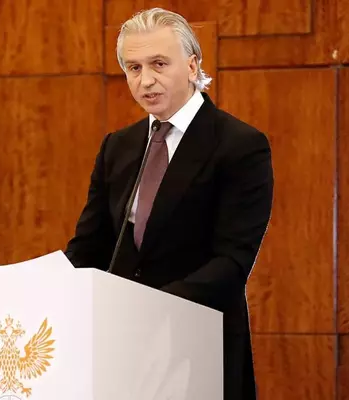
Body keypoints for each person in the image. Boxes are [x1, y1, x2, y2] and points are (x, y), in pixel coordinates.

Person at [64, 7, 273, 400]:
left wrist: (152, 308)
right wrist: (38, 286)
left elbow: (232, 261)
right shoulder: (118, 146)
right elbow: (89, 248)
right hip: (122, 351)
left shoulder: (239, 145)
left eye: (159, 64)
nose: (146, 80)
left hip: (199, 345)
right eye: (134, 68)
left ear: (192, 66)